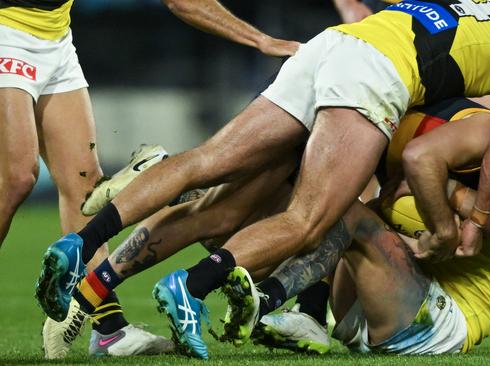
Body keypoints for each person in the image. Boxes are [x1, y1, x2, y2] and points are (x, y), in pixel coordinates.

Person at [36, 0, 490, 354]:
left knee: (213, 176)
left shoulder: (470, 17)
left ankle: (84, 249)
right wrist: (465, 221)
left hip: (332, 47)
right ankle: (194, 289)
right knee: (313, 219)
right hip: (373, 78)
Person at [56, 87, 490, 358]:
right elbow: (400, 199)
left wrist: (442, 204)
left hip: (432, 322)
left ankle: (255, 290)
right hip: (373, 304)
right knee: (246, 209)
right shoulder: (476, 141)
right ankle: (178, 207)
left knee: (327, 211)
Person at [0, 0, 298, 359]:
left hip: (54, 37)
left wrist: (259, 40)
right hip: (6, 30)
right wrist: (261, 41)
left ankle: (109, 329)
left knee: (85, 187)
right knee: (17, 176)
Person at [249, 141, 490, 355]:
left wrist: (432, 179)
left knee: (352, 215)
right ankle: (303, 310)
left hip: (442, 324)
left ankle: (266, 299)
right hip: (376, 311)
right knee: (346, 206)